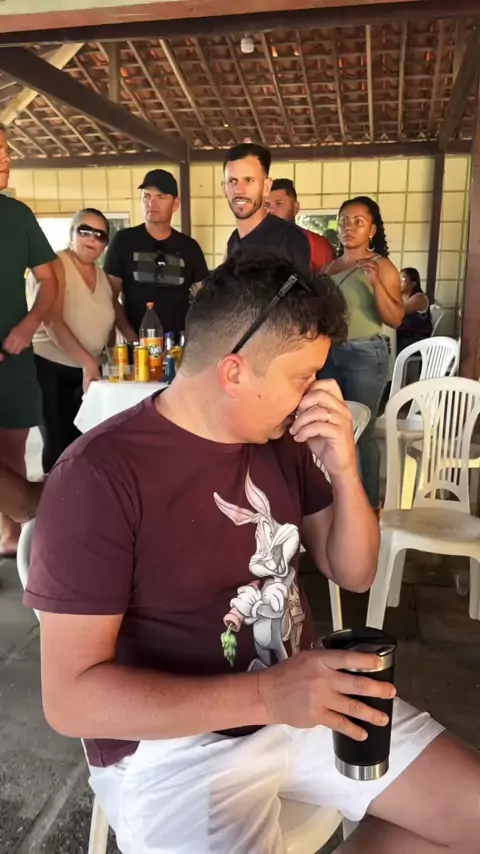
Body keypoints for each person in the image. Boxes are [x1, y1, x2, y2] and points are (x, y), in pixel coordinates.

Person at [25, 249, 480, 854]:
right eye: (303, 376)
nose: (317, 392)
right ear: (234, 372)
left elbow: (354, 571)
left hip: (305, 705)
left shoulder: (281, 441)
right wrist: (268, 695)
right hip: (173, 748)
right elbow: (71, 700)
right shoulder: (99, 476)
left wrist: (346, 470)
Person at [318, 196, 404, 512]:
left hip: (366, 354)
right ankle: (335, 499)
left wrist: (376, 283)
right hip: (329, 353)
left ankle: (369, 506)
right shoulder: (329, 268)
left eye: (358, 222)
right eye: (344, 221)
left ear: (372, 230)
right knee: (331, 426)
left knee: (363, 431)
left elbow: (395, 318)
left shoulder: (382, 266)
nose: (349, 227)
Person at [0, 123, 58, 557]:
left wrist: (28, 324)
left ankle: (10, 537)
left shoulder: (18, 216)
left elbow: (49, 280)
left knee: (12, 452)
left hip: (14, 354)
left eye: (5, 149)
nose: (5, 158)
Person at [27, 208, 115, 473]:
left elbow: (110, 318)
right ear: (71, 233)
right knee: (58, 447)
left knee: (84, 445)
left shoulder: (102, 276)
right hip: (51, 369)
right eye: (84, 231)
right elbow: (51, 320)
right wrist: (88, 362)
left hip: (87, 374)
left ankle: (76, 496)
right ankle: (52, 498)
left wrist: (107, 357)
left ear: (105, 244)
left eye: (99, 235)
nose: (91, 239)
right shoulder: (55, 264)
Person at [104, 169, 208, 341]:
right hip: (134, 345)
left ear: (175, 204)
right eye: (146, 196)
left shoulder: (189, 247)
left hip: (179, 346)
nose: (152, 203)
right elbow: (109, 298)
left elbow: (206, 300)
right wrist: (131, 338)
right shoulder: (123, 241)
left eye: (161, 197)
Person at [224, 143, 311, 271]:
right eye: (233, 181)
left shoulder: (288, 237)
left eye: (249, 180)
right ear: (224, 189)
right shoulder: (234, 239)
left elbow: (295, 280)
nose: (239, 190)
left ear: (266, 187)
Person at [265, 177, 335, 271]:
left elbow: (326, 279)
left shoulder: (316, 244)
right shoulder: (253, 242)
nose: (271, 210)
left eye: (279, 204)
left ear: (295, 208)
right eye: (266, 205)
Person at [397, 267, 433, 353]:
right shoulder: (400, 297)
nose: (399, 282)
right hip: (404, 335)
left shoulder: (419, 298)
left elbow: (398, 312)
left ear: (413, 283)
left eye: (403, 279)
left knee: (389, 345)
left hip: (417, 339)